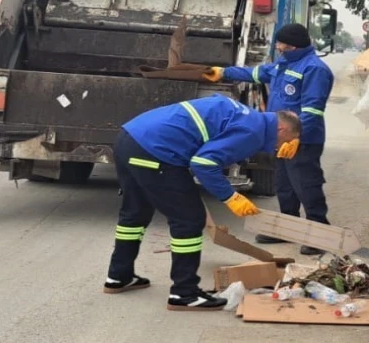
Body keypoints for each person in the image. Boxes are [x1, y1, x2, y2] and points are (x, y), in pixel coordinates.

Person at [104, 95, 303, 311]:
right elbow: (203, 163)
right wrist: (230, 196)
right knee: (189, 219)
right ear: (281, 129)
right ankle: (184, 293)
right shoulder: (253, 133)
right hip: (156, 151)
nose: (282, 147)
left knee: (135, 212)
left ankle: (119, 276)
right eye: (288, 141)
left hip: (130, 138)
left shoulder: (248, 117)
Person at [202, 23, 334, 255]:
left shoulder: (315, 69)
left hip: (303, 140)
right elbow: (255, 74)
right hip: (280, 137)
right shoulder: (284, 63)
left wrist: (297, 136)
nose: (278, 47)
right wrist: (224, 72)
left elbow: (312, 111)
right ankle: (287, 229)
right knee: (284, 186)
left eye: (282, 44)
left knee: (306, 185)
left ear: (293, 46)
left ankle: (319, 234)